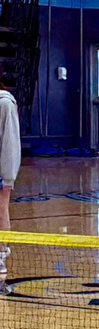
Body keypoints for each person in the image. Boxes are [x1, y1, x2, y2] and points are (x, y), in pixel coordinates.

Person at [0, 70, 21, 233]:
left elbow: (10, 141)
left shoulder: (5, 104)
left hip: (1, 173)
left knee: (1, 211)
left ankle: (1, 251)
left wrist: (8, 177)